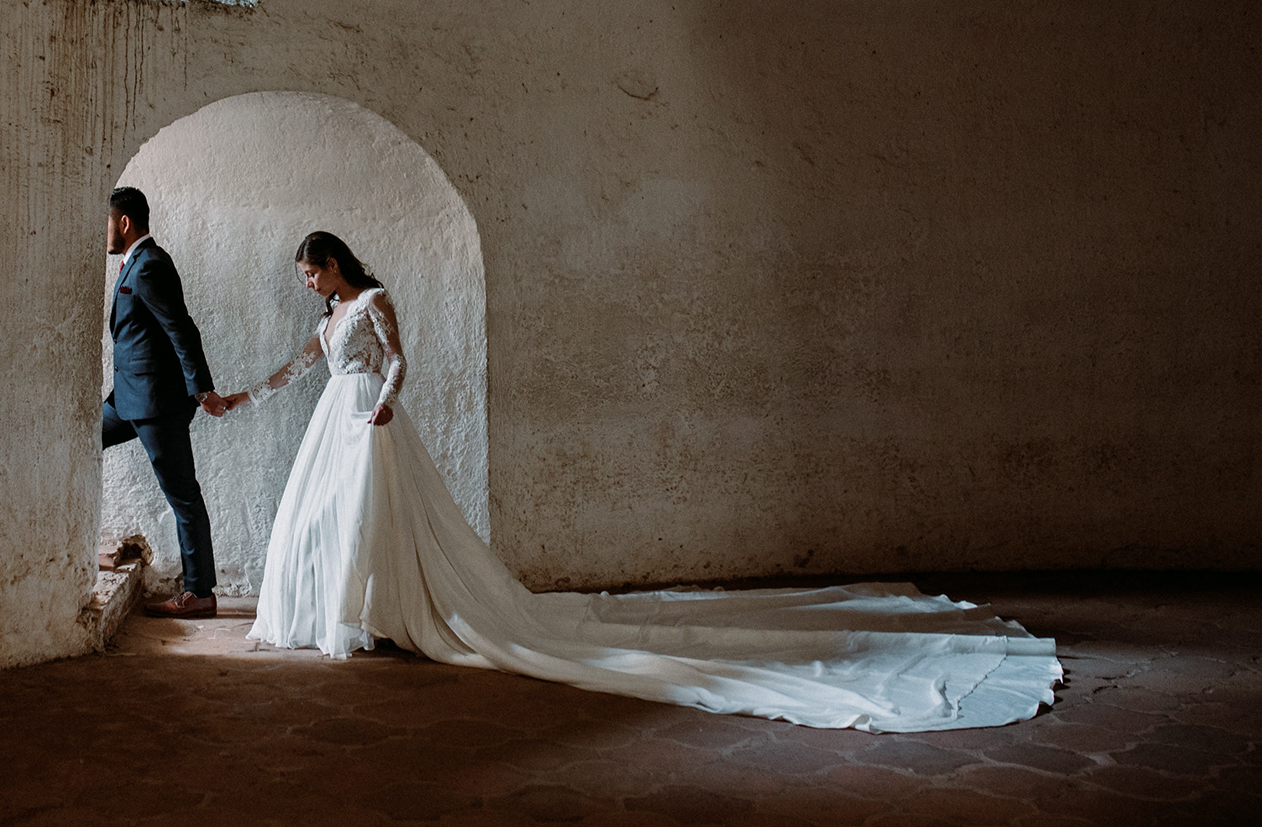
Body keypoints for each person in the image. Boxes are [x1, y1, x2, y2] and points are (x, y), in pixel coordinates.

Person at [208, 231, 1063, 731]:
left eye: (312, 274)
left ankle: (389, 614)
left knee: (373, 518)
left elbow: (401, 363)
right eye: (304, 280)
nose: (308, 285)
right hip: (334, 422)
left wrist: (387, 404)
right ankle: (350, 614)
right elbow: (296, 366)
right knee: (322, 519)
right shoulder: (326, 322)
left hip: (370, 422)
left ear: (335, 266)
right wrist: (243, 395)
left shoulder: (375, 299)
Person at [103, 186, 222, 618]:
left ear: (124, 223)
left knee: (183, 496)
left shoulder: (150, 263)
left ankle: (200, 593)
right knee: (79, 439)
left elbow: (181, 329)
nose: (105, 232)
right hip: (127, 399)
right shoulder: (132, 263)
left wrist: (201, 390)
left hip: (157, 404)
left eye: (107, 222)